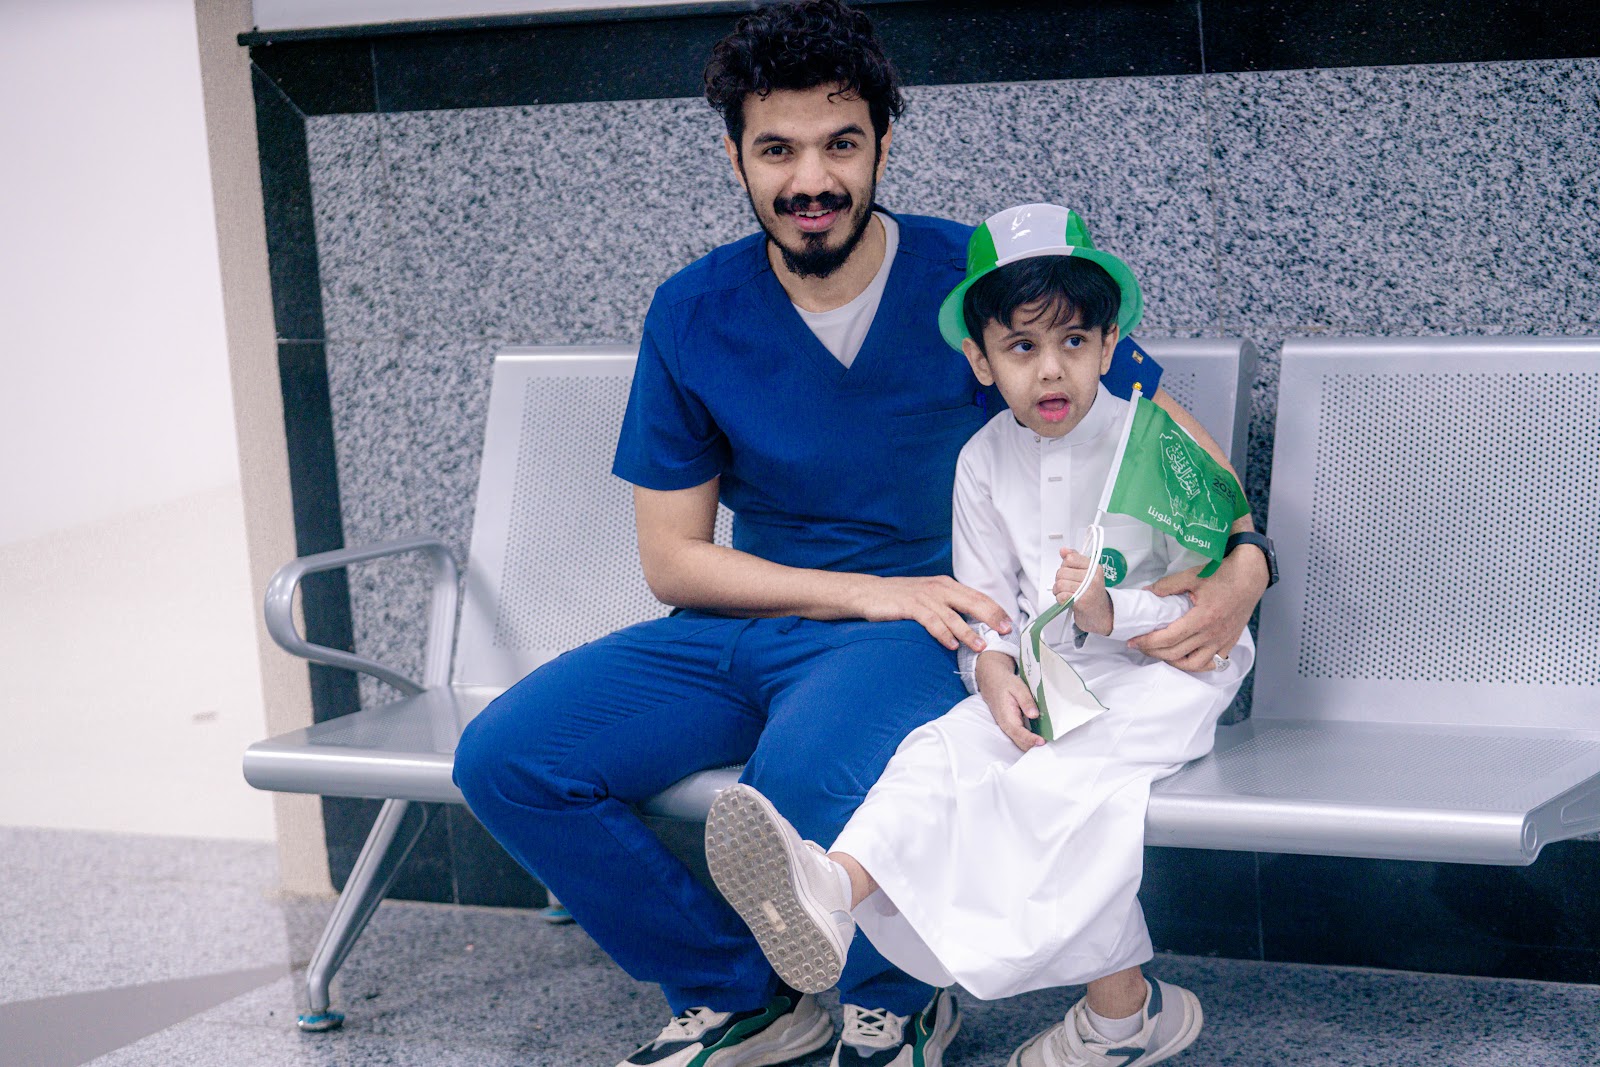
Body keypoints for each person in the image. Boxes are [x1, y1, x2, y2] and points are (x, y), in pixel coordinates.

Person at [452, 4, 1270, 1066]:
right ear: (737, 159)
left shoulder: (978, 285)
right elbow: (672, 559)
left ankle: (897, 995)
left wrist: (1248, 562)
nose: (812, 179)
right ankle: (740, 992)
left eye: (840, 143)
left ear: (883, 144)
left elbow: (1157, 434)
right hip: (754, 620)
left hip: (927, 631)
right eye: (776, 149)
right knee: (510, 760)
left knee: (794, 782)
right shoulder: (693, 311)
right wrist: (863, 591)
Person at [703, 204, 1254, 1067]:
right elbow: (989, 605)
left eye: (1074, 341)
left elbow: (1200, 598)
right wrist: (991, 669)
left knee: (1059, 785)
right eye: (1022, 347)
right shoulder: (983, 460)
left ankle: (1123, 1016)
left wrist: (1113, 613)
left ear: (1110, 346)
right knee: (937, 753)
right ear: (981, 360)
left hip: (1168, 671)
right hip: (1052, 673)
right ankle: (833, 887)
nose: (1051, 368)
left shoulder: (1153, 442)